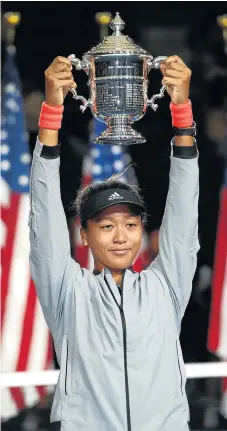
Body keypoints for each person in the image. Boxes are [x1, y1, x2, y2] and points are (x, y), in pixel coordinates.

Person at [29, 54, 200, 431]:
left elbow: (184, 214)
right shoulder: (67, 291)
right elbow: (42, 215)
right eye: (106, 226)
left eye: (131, 224)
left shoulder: (166, 285)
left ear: (142, 230)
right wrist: (51, 114)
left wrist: (182, 113)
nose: (121, 236)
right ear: (84, 236)